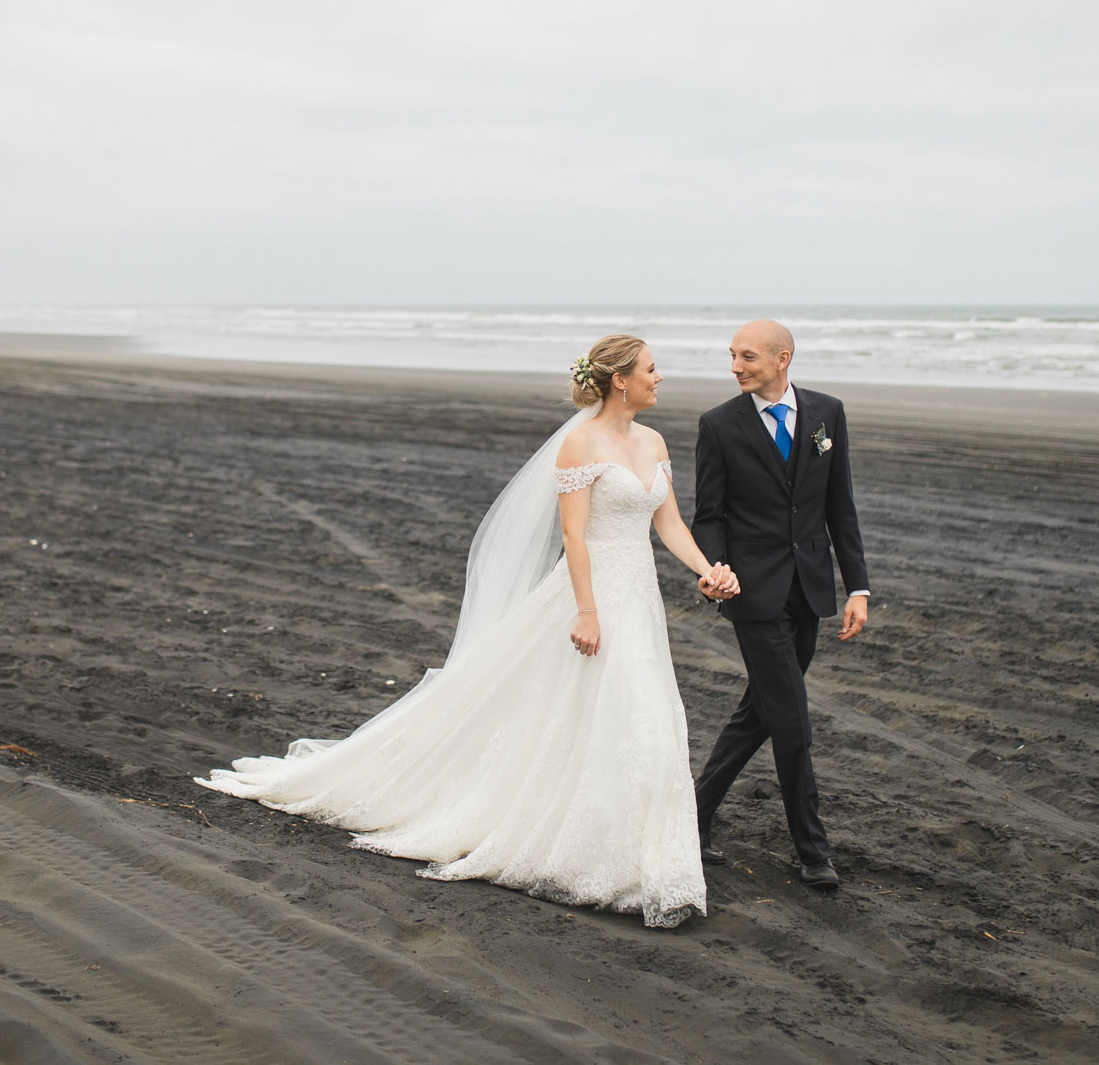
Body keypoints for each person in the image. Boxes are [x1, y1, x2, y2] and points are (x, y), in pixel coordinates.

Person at [196, 334, 738, 927]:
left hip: (639, 600)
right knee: (593, 709)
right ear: (620, 380)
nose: (661, 379)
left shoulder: (653, 441)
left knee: (645, 716)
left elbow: (668, 523)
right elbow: (575, 536)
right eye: (653, 370)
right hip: (591, 595)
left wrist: (707, 570)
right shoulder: (580, 442)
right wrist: (586, 610)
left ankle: (642, 855)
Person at [690, 320, 870, 890]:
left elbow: (840, 505)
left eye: (746, 357)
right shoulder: (719, 425)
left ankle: (690, 819)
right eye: (732, 357)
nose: (736, 366)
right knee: (791, 720)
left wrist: (857, 588)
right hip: (752, 593)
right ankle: (813, 850)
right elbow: (709, 515)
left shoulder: (828, 414)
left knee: (759, 716)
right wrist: (716, 569)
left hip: (810, 588)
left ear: (782, 358)